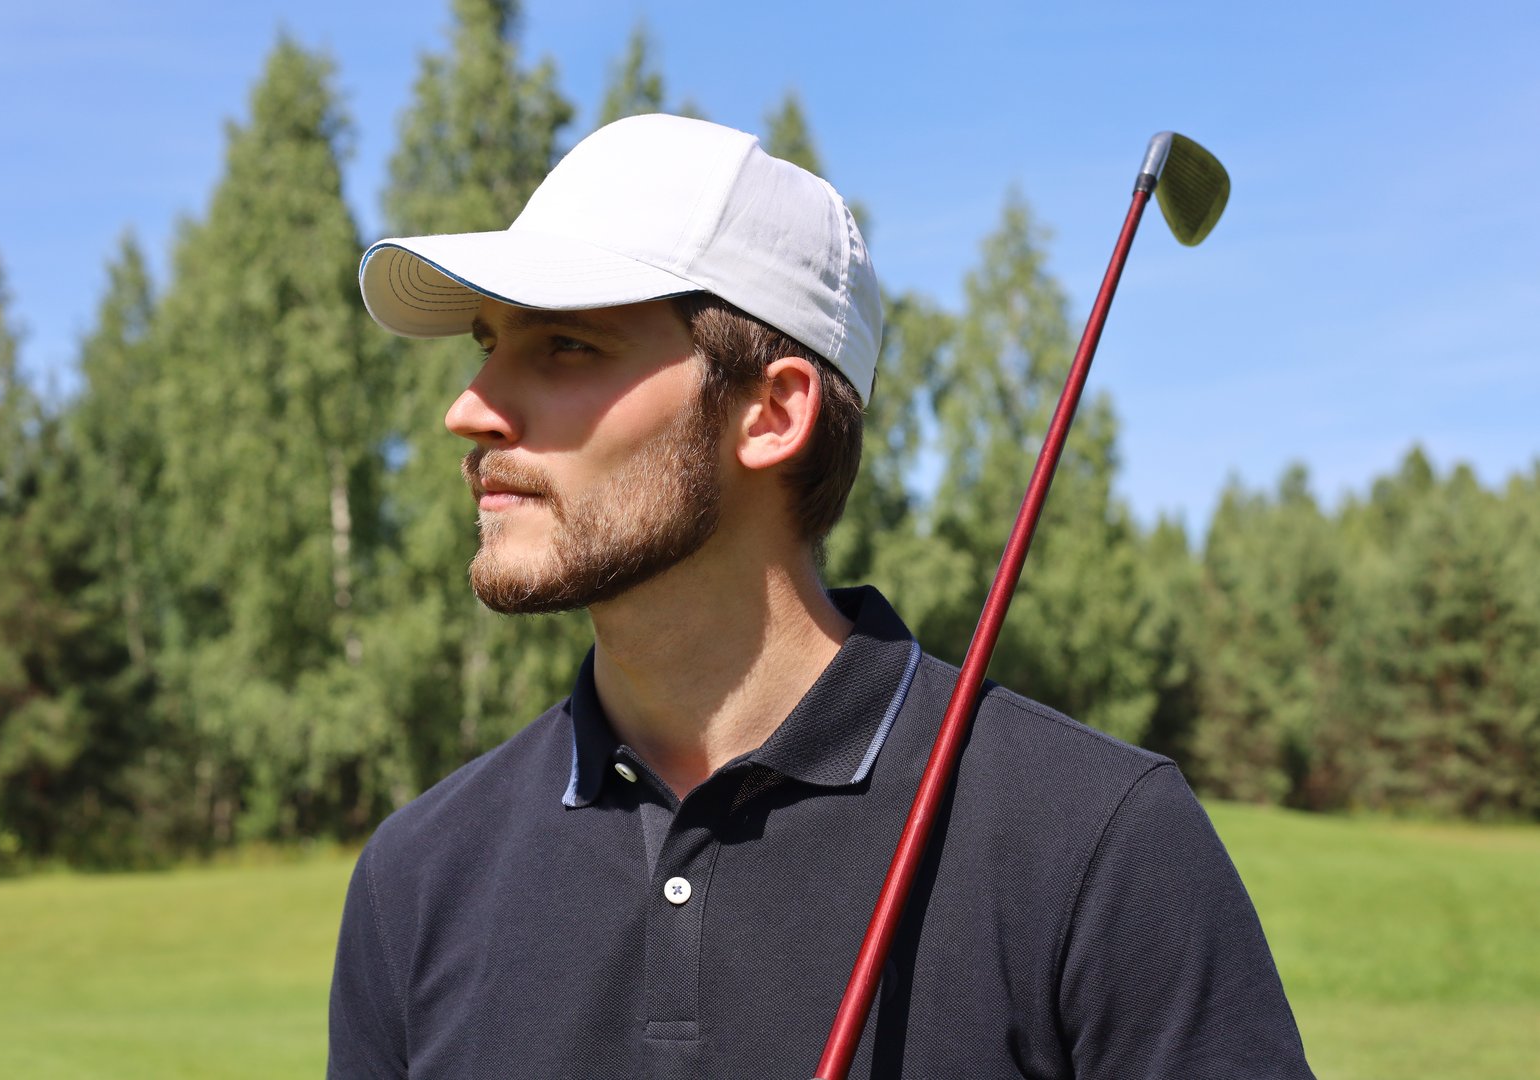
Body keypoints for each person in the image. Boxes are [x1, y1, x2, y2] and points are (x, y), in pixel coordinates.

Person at [330, 113, 1314, 1079]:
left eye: (566, 347)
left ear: (773, 412)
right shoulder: (417, 876)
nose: (469, 408)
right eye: (486, 344)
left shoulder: (1099, 841)